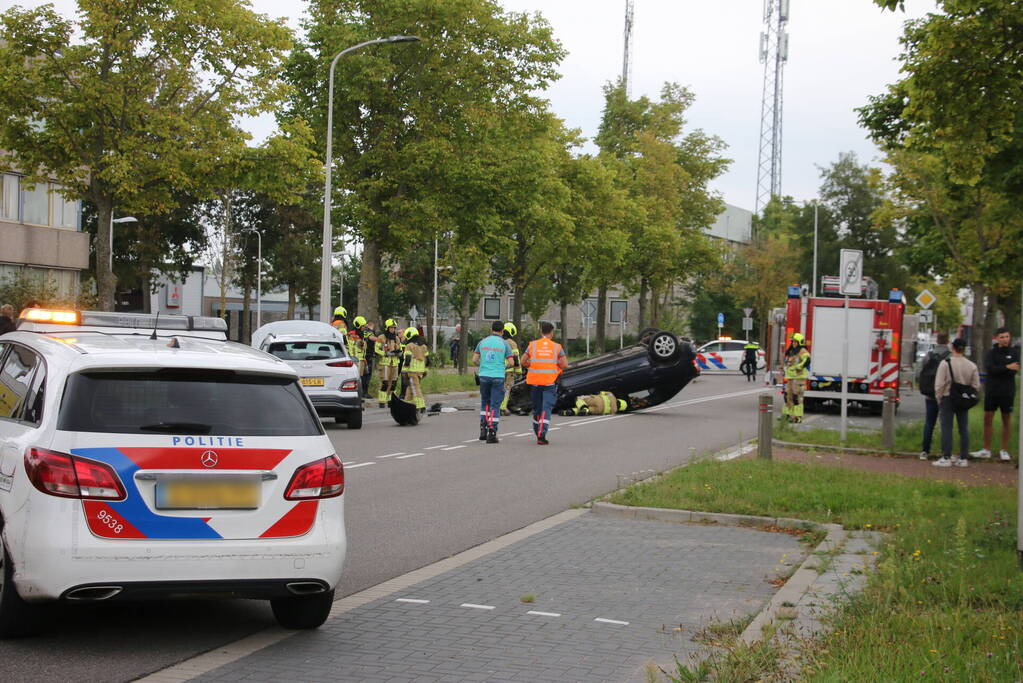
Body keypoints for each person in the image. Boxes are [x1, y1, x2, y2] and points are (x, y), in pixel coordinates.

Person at [972, 327, 1019, 462]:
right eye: (1002, 337)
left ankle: (1004, 449)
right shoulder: (991, 353)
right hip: (992, 391)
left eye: (1007, 337)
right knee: (988, 419)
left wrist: (1003, 369)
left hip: (1007, 391)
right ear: (997, 338)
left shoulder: (1014, 353)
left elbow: (1013, 371)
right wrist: (1006, 367)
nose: (1004, 339)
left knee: (1006, 420)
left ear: (1009, 338)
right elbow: (991, 369)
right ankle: (986, 449)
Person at [932, 337, 980, 468]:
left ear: (952, 348)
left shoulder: (945, 363)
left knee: (947, 428)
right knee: (963, 428)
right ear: (964, 349)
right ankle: (963, 458)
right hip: (963, 400)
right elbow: (976, 385)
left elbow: (939, 384)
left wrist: (939, 398)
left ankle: (946, 456)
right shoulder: (971, 366)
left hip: (948, 398)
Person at [521, 321, 568, 445]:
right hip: (549, 382)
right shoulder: (557, 347)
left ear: (541, 332)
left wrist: (532, 364)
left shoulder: (532, 345)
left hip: (535, 382)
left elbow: (523, 361)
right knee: (546, 408)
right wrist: (555, 364)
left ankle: (537, 431)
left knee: (537, 408)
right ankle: (542, 435)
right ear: (551, 333)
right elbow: (565, 364)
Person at [473, 320, 513, 444]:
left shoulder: (482, 342)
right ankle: (492, 432)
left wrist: (483, 365)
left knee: (485, 402)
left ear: (491, 329)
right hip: (498, 377)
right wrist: (503, 367)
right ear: (502, 331)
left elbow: (474, 360)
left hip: (483, 376)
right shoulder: (505, 344)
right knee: (495, 405)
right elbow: (511, 363)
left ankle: (483, 431)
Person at [916, 332, 950, 460]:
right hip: (945, 395)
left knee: (929, 422)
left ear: (937, 340)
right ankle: (945, 452)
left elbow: (920, 372)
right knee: (945, 424)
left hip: (929, 394)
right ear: (947, 341)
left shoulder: (929, 356)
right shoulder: (949, 356)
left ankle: (925, 450)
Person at [782, 333, 811, 423]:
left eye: (795, 342)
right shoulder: (791, 350)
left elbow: (807, 360)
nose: (794, 343)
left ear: (800, 342)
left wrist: (799, 366)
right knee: (787, 396)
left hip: (799, 378)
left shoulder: (802, 351)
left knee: (797, 397)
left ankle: (798, 417)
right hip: (790, 377)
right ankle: (787, 415)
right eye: (793, 341)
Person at [374, 319, 402, 407]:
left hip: (394, 363)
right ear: (387, 328)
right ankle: (382, 402)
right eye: (391, 328)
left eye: (394, 328)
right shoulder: (381, 337)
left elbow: (400, 348)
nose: (392, 329)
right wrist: (385, 353)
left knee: (393, 383)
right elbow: (376, 349)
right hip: (385, 363)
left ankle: (391, 401)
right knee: (385, 383)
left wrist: (399, 353)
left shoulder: (397, 338)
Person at [402, 326, 429, 413]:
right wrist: (425, 370)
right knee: (410, 388)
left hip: (412, 371)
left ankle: (421, 406)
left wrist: (404, 371)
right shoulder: (424, 346)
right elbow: (428, 360)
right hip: (420, 372)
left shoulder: (409, 346)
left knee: (415, 388)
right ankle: (406, 405)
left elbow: (407, 359)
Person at [499, 322, 522, 416]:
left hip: (497, 370)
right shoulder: (512, 343)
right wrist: (519, 371)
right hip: (508, 371)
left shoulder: (497, 341)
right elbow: (516, 358)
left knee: (497, 389)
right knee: (507, 389)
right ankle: (503, 408)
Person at [562, 391, 627, 416]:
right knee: (585, 410)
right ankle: (569, 412)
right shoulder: (614, 411)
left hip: (598, 400)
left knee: (579, 398)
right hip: (599, 410)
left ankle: (584, 407)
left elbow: (601, 392)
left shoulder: (612, 395)